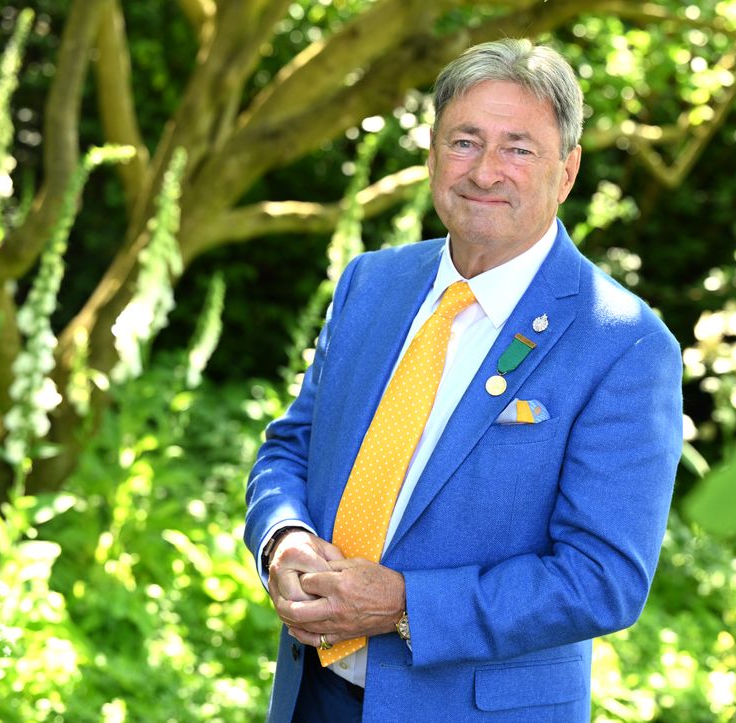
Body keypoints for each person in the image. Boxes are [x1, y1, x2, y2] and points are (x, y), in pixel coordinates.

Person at [244, 38, 683, 722]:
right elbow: (290, 447)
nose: (485, 171)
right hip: (313, 697)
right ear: (432, 155)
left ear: (565, 173)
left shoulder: (623, 343)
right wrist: (284, 538)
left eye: (518, 148)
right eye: (464, 141)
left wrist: (403, 603)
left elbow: (604, 578)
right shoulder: (373, 282)